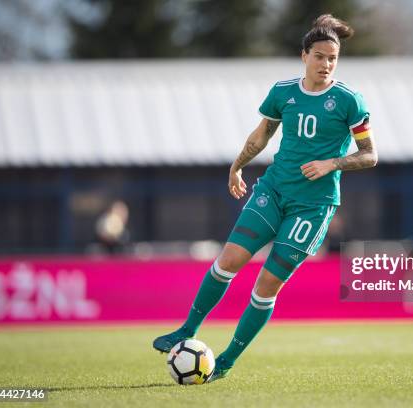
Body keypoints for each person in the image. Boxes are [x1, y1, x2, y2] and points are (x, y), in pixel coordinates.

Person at [153, 14, 378, 382]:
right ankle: (186, 330)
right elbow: (261, 136)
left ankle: (225, 362)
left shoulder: (349, 100)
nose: (326, 65)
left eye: (332, 59)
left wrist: (332, 163)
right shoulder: (282, 92)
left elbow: (370, 155)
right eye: (319, 56)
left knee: (266, 285)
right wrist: (237, 166)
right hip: (272, 191)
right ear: (304, 55)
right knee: (229, 260)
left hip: (313, 206)